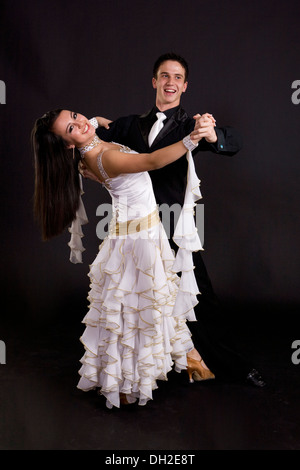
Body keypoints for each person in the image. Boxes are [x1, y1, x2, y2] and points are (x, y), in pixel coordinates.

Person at [94, 52, 266, 387]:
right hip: (136, 227)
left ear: (184, 86)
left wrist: (212, 135)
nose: (170, 82)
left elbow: (233, 142)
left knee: (199, 297)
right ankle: (139, 371)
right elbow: (103, 136)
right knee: (136, 295)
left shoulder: (191, 125)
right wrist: (91, 125)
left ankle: (234, 366)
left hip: (173, 225)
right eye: (164, 75)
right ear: (154, 81)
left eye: (177, 77)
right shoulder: (131, 124)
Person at [32, 108, 215, 409]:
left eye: (76, 115)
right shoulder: (104, 158)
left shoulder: (85, 148)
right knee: (138, 310)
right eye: (71, 128)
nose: (80, 123)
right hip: (138, 241)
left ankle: (186, 362)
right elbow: (152, 161)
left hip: (139, 231)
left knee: (149, 304)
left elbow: (90, 125)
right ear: (67, 144)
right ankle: (129, 382)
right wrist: (191, 139)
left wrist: (94, 122)